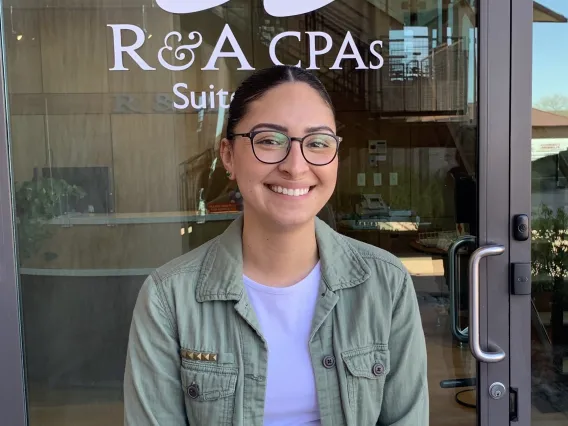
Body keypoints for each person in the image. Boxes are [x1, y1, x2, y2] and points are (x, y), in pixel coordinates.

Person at [124, 65, 429, 426]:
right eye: (269, 140)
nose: (296, 167)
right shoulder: (169, 296)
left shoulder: (386, 284)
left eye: (317, 142)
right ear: (228, 156)